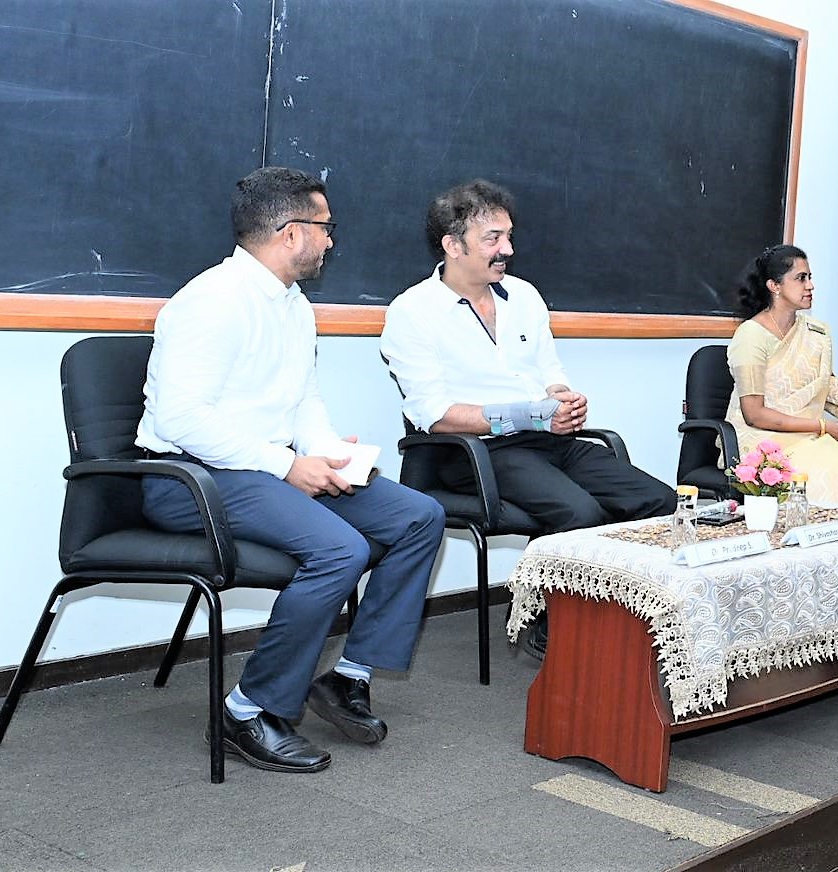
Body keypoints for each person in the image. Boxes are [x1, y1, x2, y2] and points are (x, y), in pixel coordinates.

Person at [136, 166, 445, 774]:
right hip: (190, 479)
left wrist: (324, 450)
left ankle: (347, 677)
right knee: (340, 550)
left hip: (262, 468)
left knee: (419, 516)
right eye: (325, 227)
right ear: (290, 232)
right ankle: (246, 711)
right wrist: (286, 465)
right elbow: (181, 420)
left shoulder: (293, 305)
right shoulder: (212, 302)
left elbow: (301, 398)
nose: (331, 240)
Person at [380, 179, 676, 653]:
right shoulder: (413, 311)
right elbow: (435, 416)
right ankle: (547, 621)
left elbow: (549, 374)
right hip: (473, 452)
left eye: (509, 236)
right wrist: (532, 415)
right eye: (492, 239)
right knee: (581, 513)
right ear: (453, 246)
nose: (508, 250)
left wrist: (563, 399)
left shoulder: (523, 296)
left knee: (657, 500)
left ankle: (621, 621)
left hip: (548, 440)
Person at [724, 244, 838, 510]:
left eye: (810, 277)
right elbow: (754, 414)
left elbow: (826, 388)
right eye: (801, 278)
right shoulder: (752, 335)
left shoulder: (815, 332)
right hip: (763, 443)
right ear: (774, 286)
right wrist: (822, 427)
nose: (810, 285)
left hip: (808, 437)